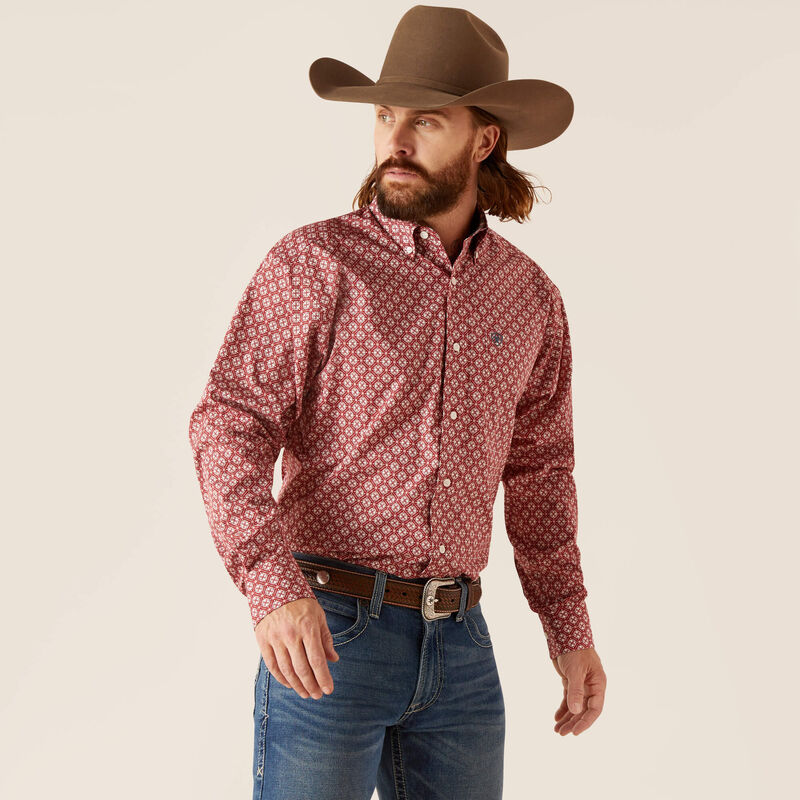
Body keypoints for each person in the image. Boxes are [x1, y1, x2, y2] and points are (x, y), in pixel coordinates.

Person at [188, 6, 607, 798]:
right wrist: (269, 587)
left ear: (484, 140)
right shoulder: (316, 264)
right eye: (385, 116)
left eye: (427, 120)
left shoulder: (530, 299)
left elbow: (543, 476)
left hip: (463, 655)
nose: (396, 140)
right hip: (329, 639)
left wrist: (569, 629)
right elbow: (229, 425)